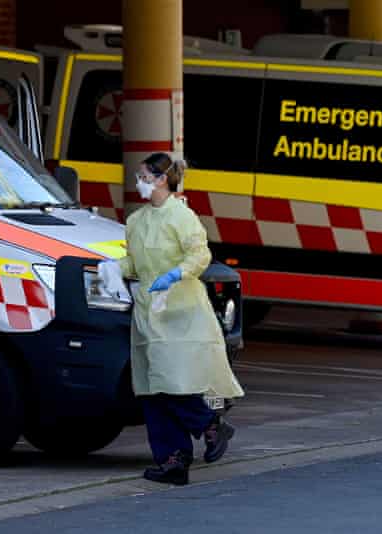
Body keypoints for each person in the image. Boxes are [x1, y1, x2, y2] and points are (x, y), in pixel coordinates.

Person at [105, 152, 245, 486]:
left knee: (172, 382)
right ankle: (172, 459)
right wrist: (113, 268)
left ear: (161, 179)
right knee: (153, 389)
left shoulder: (182, 217)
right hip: (149, 313)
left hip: (180, 311)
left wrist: (176, 275)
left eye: (143, 175)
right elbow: (136, 265)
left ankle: (210, 425)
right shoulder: (137, 221)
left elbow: (200, 255)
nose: (138, 181)